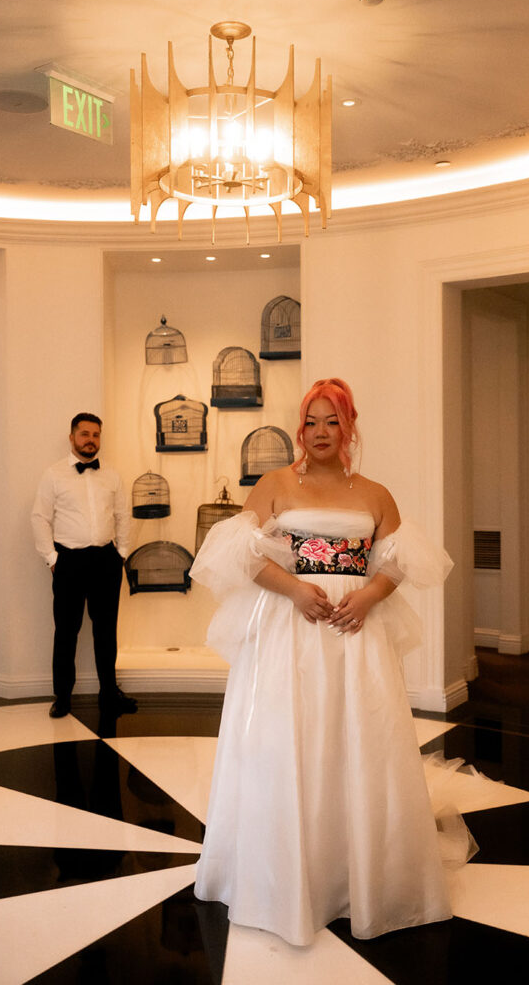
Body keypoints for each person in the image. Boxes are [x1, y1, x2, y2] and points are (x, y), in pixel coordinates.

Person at [190, 378, 472, 947]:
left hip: (353, 631)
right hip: (289, 630)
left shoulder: (374, 494)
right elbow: (240, 556)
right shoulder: (273, 483)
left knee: (357, 738)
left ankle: (358, 872)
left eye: (332, 422)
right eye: (312, 422)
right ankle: (285, 875)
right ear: (301, 428)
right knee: (289, 738)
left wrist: (368, 596)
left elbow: (398, 561)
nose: (321, 433)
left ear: (349, 426)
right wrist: (294, 589)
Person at [31, 412, 137, 718]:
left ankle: (109, 693)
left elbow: (122, 516)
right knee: (66, 631)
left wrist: (123, 553)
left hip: (106, 560)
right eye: (84, 434)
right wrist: (52, 558)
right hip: (70, 562)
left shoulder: (112, 475)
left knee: (106, 631)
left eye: (95, 435)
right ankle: (62, 696)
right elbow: (40, 517)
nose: (90, 440)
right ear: (72, 437)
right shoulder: (53, 475)